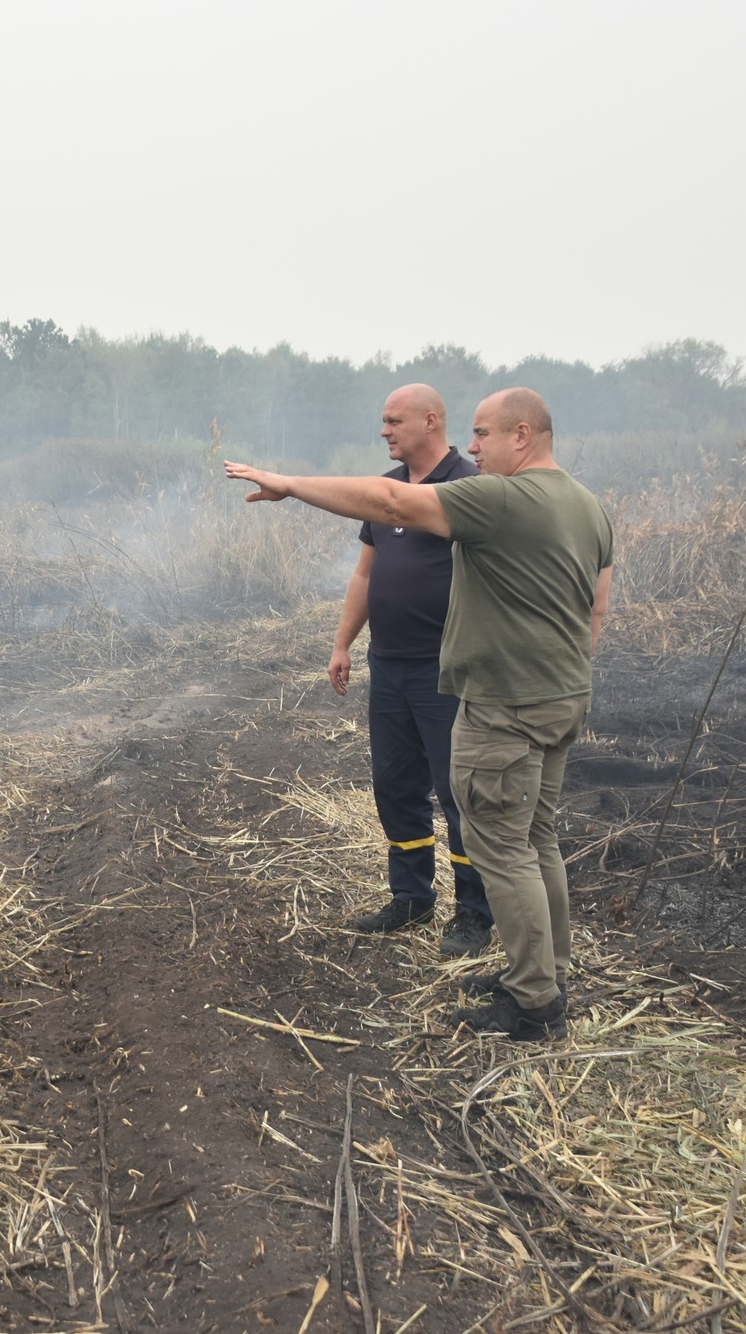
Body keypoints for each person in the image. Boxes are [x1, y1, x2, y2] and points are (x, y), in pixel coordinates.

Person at [225, 387, 612, 1041]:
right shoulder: (586, 503)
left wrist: (289, 483)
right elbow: (596, 607)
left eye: (484, 434)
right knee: (537, 838)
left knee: (502, 845)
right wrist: (562, 670)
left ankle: (535, 1001)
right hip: (559, 696)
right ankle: (547, 969)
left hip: (506, 704)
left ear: (523, 434)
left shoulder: (507, 498)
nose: (476, 447)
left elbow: (389, 501)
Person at [331, 384, 493, 956]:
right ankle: (411, 898)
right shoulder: (386, 491)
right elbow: (366, 576)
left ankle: (474, 912)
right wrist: (344, 642)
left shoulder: (469, 487)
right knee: (395, 785)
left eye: (393, 421)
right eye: (382, 421)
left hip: (448, 671)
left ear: (430, 422)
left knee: (459, 791)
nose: (384, 431)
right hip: (389, 666)